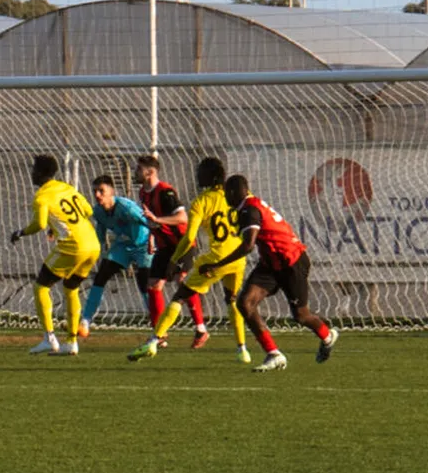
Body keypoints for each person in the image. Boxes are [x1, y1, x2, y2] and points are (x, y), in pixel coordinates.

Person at [199, 174, 339, 372]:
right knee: (244, 303)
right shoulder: (247, 207)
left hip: (292, 261)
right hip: (271, 263)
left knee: (301, 315)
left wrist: (216, 265)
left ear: (232, 193)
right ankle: (274, 354)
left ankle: (327, 336)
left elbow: (248, 245)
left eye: (226, 194)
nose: (225, 199)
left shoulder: (250, 210)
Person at [129, 157, 251, 363]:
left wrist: (173, 260)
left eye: (200, 172)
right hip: (238, 258)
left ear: (209, 176)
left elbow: (188, 237)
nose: (197, 176)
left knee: (179, 295)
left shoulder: (201, 202)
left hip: (215, 259)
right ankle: (242, 350)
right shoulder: (237, 197)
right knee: (231, 300)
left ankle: (154, 341)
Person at [10, 154, 100, 356]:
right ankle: (71, 342)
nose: (31, 173)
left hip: (72, 247)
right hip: (92, 245)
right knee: (71, 289)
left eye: (34, 169)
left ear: (41, 173)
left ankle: (49, 338)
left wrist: (21, 232)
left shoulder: (42, 196)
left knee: (41, 286)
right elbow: (87, 210)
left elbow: (40, 224)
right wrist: (56, 224)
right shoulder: (67, 188)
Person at [135, 155, 209, 347]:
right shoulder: (143, 193)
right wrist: (152, 236)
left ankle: (201, 329)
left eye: (138, 169)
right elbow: (152, 219)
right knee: (153, 285)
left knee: (181, 282)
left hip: (181, 244)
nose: (135, 172)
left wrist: (158, 221)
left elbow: (182, 218)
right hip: (164, 246)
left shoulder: (165, 192)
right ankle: (160, 334)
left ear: (150, 172)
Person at [78, 175, 153, 337]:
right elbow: (100, 232)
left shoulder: (127, 207)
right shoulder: (98, 211)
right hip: (122, 245)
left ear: (112, 192)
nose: (97, 195)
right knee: (101, 275)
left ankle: (158, 326)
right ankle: (85, 321)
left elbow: (150, 222)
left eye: (101, 191)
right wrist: (95, 251)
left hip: (143, 244)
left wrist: (153, 239)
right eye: (95, 191)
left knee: (144, 282)